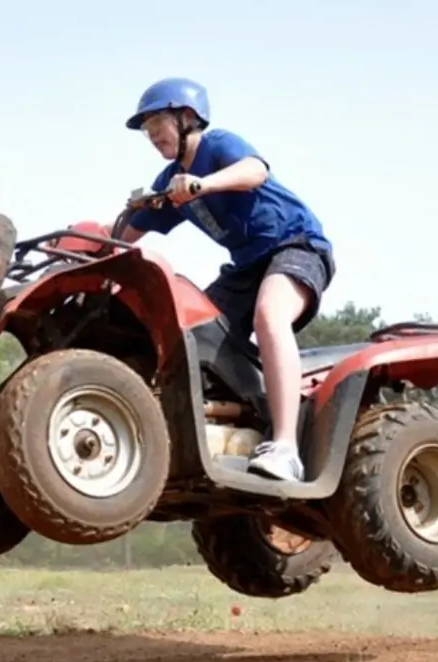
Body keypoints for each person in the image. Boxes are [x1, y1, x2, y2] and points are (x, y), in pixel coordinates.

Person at [113, 77, 335, 483]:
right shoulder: (168, 182)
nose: (152, 135)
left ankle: (286, 448)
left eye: (157, 123)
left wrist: (202, 184)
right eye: (146, 129)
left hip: (297, 246)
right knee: (194, 335)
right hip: (246, 266)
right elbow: (127, 236)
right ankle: (243, 423)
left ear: (187, 119)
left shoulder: (217, 146)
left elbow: (256, 171)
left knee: (270, 314)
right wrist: (95, 251)